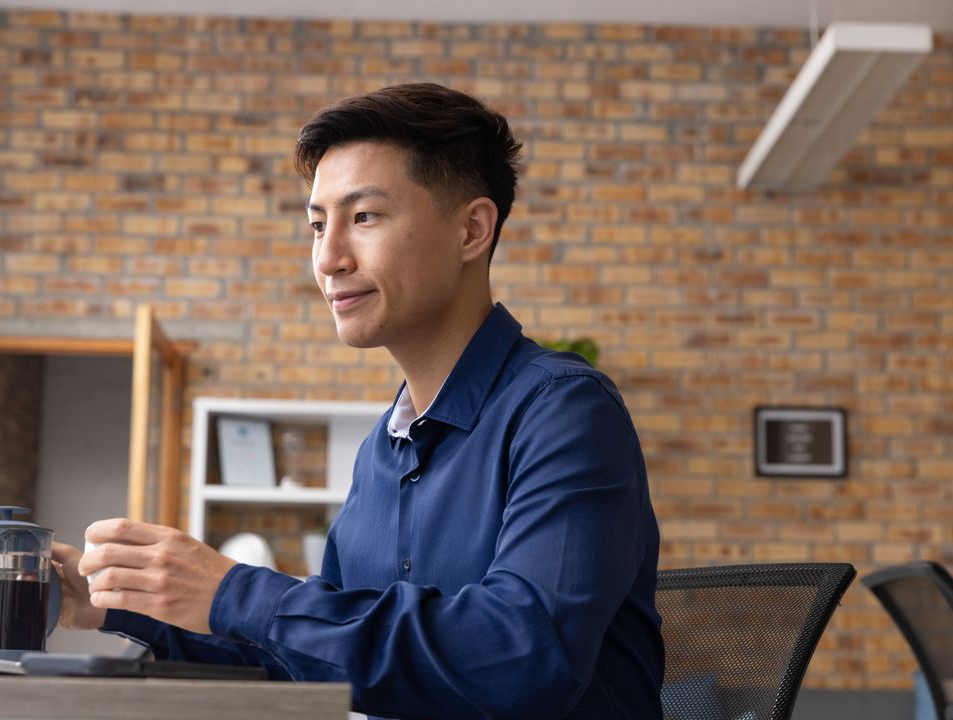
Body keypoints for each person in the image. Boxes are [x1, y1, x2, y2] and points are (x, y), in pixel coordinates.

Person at [54, 82, 664, 719]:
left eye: (364, 217)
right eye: (318, 226)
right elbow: (312, 656)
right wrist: (121, 604)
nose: (328, 259)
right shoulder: (383, 449)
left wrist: (233, 592)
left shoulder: (563, 410)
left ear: (471, 230)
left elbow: (520, 656)